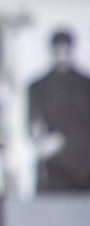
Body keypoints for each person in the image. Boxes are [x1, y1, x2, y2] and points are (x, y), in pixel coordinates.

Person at [28, 28, 90, 192]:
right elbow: (32, 125)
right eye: (58, 49)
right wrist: (41, 140)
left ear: (71, 50)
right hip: (53, 168)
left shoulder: (85, 85)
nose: (62, 54)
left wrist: (64, 140)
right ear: (52, 50)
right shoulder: (38, 86)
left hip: (83, 167)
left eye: (65, 49)